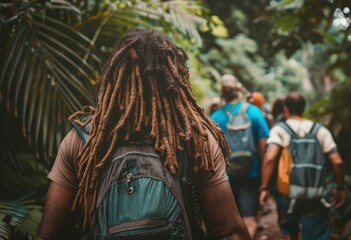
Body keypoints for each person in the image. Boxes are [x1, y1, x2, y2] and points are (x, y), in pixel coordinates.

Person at [36, 29, 250, 240]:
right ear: (174, 79)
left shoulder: (84, 140)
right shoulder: (196, 140)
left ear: (114, 77)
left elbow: (49, 233)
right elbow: (229, 232)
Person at [259, 92, 346, 240]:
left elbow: (269, 158)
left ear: (285, 109)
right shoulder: (321, 130)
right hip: (315, 194)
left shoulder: (279, 130)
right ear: (303, 109)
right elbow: (337, 161)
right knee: (315, 233)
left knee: (288, 232)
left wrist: (265, 188)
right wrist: (340, 188)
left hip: (287, 194)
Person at [211, 75, 270, 238]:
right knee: (249, 221)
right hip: (252, 174)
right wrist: (264, 177)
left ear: (222, 92)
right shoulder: (254, 112)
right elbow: (264, 146)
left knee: (232, 225)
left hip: (225, 178)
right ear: (238, 90)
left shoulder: (215, 117)